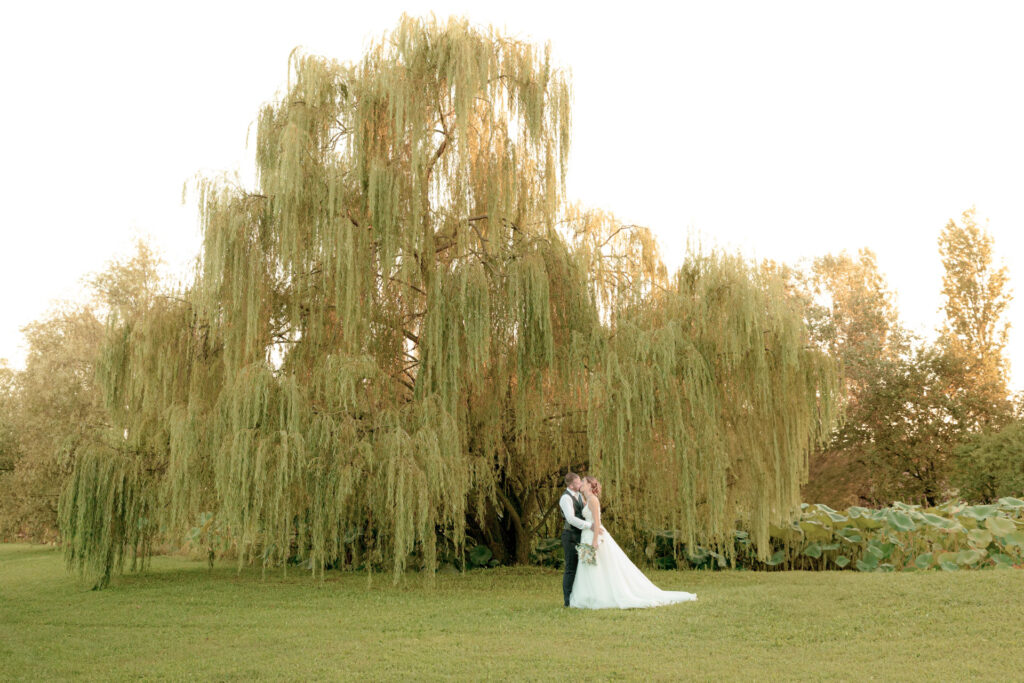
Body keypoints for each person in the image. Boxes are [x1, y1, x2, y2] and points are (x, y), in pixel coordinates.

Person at [569, 475, 697, 609]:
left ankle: (599, 595)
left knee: (598, 565)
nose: (581, 483)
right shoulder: (587, 499)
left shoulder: (593, 500)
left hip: (594, 536)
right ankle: (591, 595)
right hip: (587, 535)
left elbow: (597, 521)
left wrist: (595, 540)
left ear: (590, 485)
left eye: (583, 481)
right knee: (591, 566)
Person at [558, 472, 593, 607]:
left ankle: (578, 597)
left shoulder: (579, 496)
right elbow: (571, 519)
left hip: (581, 535)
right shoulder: (565, 498)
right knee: (571, 568)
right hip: (570, 536)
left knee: (581, 568)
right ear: (572, 485)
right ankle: (567, 600)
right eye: (579, 483)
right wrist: (589, 525)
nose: (581, 484)